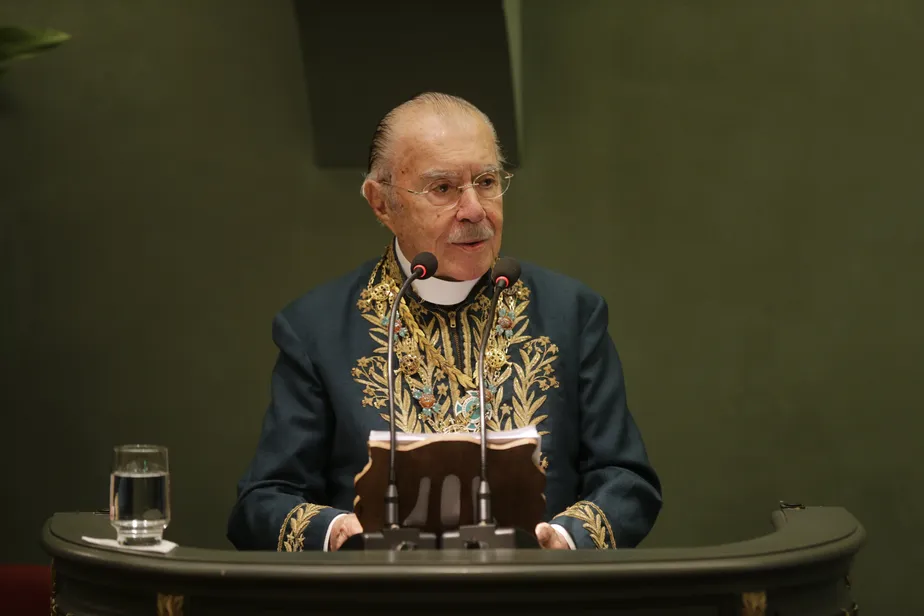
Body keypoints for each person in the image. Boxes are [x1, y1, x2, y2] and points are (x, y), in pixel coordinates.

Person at [227, 92, 662, 552]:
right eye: (443, 189)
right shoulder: (316, 328)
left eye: (488, 181)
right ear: (381, 204)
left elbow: (627, 480)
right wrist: (336, 532)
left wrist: (563, 540)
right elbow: (262, 502)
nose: (475, 210)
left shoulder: (571, 313)